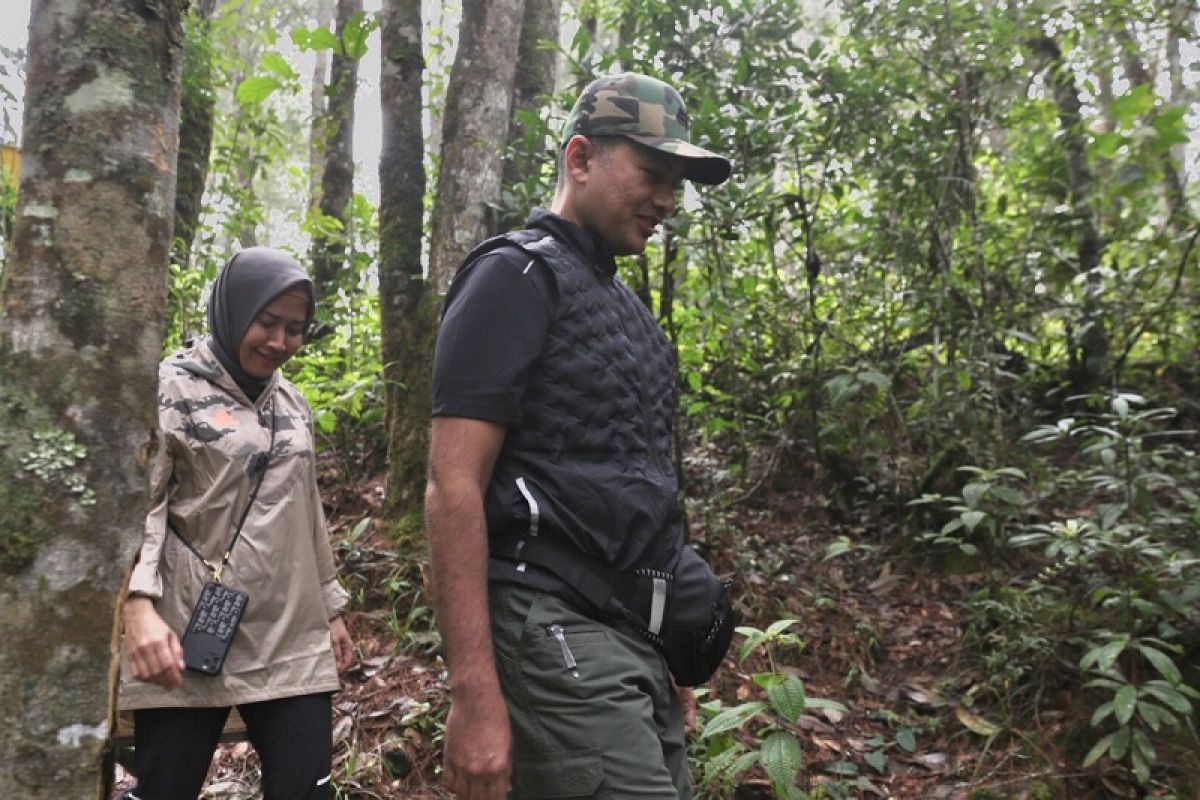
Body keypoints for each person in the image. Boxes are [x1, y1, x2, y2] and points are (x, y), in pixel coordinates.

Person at [425, 72, 732, 799]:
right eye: (654, 174)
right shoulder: (514, 276)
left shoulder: (629, 310)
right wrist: (473, 698)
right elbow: (451, 486)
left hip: (628, 640)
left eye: (677, 185)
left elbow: (631, 488)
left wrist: (663, 645)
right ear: (580, 158)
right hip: (551, 628)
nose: (667, 200)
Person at [119, 247, 354, 799]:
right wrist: (138, 609)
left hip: (291, 632)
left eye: (295, 329)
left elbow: (307, 510)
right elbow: (143, 507)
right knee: (164, 789)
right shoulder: (169, 390)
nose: (279, 341)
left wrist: (332, 605)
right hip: (187, 631)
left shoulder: (292, 403)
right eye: (267, 322)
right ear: (232, 309)